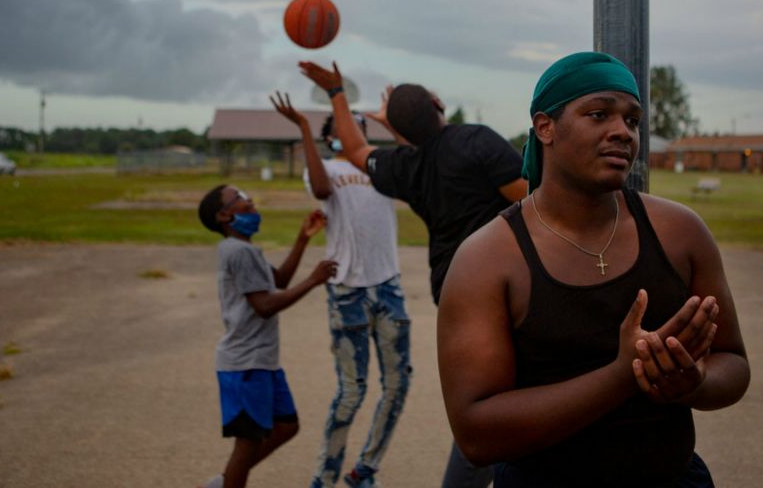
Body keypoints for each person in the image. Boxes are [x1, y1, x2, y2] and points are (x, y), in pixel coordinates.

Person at [436, 51, 750, 487]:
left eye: (633, 120)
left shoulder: (680, 232)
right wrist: (623, 375)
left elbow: (733, 362)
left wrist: (692, 382)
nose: (622, 132)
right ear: (545, 127)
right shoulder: (488, 259)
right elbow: (477, 434)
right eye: (599, 114)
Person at [297, 61, 529, 488]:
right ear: (440, 104)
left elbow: (355, 148)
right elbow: (535, 205)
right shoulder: (475, 140)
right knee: (512, 404)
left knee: (483, 410)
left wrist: (337, 93)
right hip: (504, 288)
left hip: (455, 291)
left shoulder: (405, 168)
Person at [270, 92, 411, 488]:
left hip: (388, 288)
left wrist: (390, 124)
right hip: (347, 290)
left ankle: (363, 470)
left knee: (398, 385)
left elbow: (418, 164)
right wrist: (302, 127)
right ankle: (325, 476)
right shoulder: (327, 168)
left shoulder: (380, 168)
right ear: (333, 137)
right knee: (352, 391)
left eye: (361, 127)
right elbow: (319, 190)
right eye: (346, 128)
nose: (355, 131)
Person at [197, 184, 338, 488]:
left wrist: (302, 238)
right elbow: (264, 306)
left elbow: (279, 281)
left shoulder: (247, 250)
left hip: (262, 362)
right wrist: (314, 280)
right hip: (245, 365)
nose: (250, 201)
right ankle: (229, 481)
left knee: (286, 426)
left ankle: (224, 482)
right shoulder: (238, 251)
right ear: (224, 215)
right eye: (240, 198)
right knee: (246, 444)